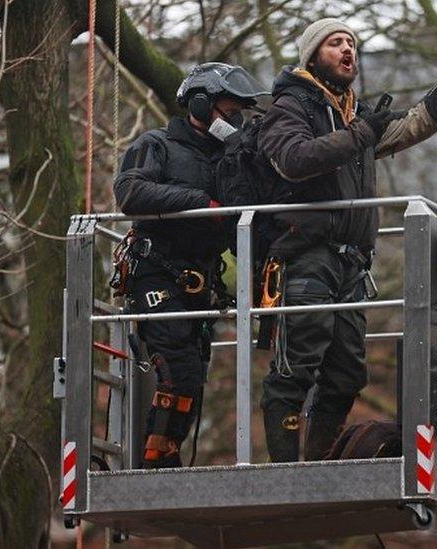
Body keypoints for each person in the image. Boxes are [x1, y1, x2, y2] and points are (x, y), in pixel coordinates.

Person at [258, 18, 437, 462]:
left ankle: (316, 466)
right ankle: (284, 470)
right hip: (307, 255)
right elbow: (292, 160)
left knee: (347, 374)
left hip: (351, 263)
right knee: (296, 366)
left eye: (352, 43)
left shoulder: (355, 116)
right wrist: (361, 134)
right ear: (312, 55)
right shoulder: (290, 106)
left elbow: (416, 124)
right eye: (335, 43)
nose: (348, 50)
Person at [113, 62, 268, 468]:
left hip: (201, 282)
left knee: (194, 376)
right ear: (200, 103)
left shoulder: (231, 159)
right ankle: (155, 461)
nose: (235, 119)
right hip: (158, 271)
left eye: (240, 112)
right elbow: (130, 192)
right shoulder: (157, 144)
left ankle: (167, 453)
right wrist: (201, 204)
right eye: (228, 109)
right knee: (176, 369)